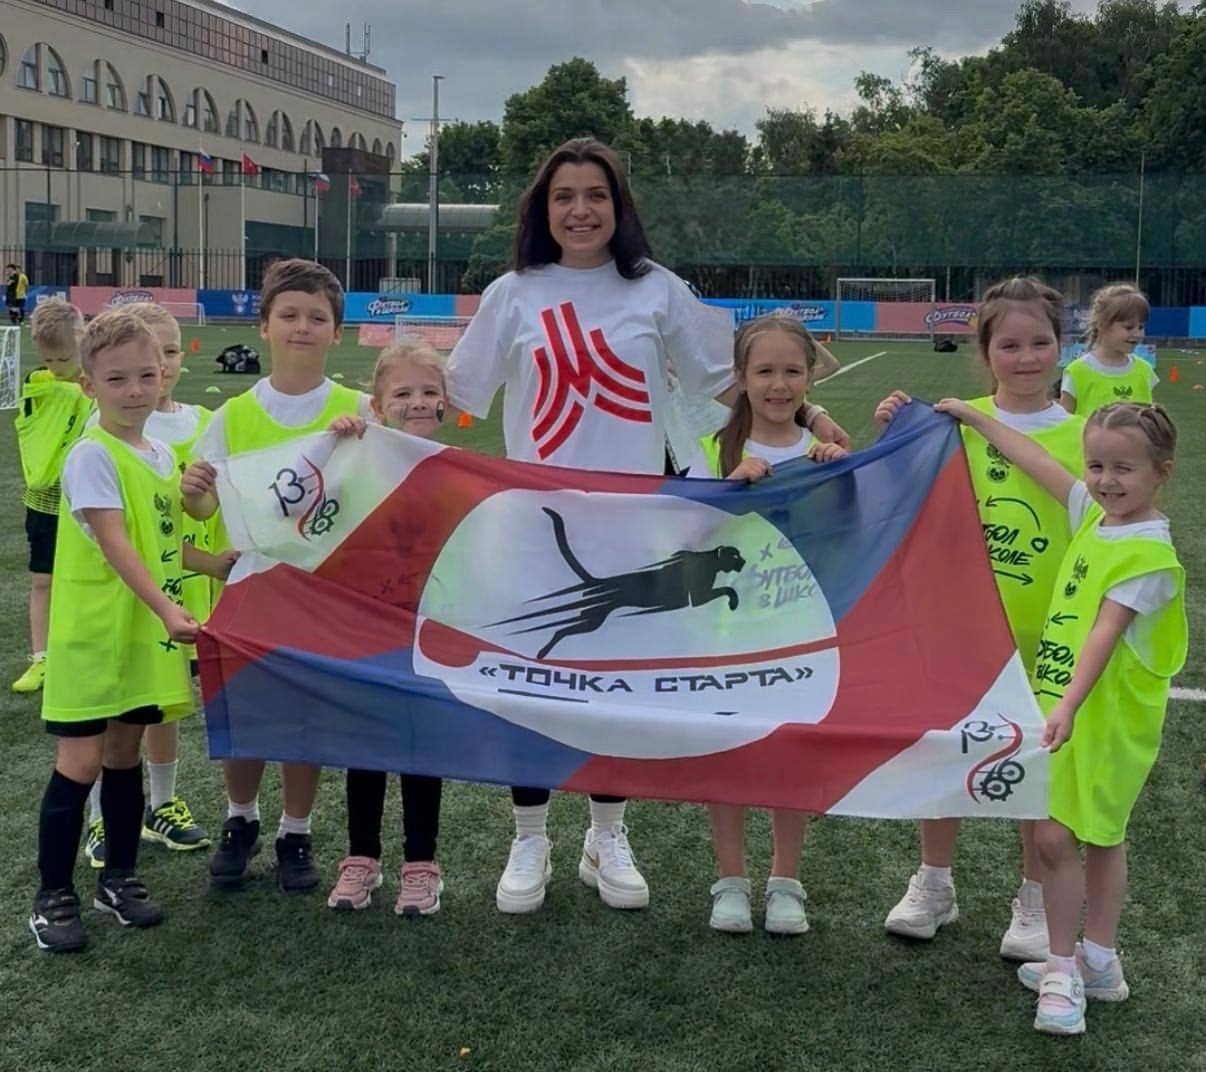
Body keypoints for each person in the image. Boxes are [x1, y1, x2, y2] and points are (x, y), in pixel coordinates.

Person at [446, 136, 848, 915]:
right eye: (564, 196)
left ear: (619, 206)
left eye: (596, 195)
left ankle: (607, 834)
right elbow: (455, 390)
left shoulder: (656, 290)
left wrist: (816, 417)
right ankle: (529, 837)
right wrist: (370, 417)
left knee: (614, 686)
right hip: (537, 524)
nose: (581, 210)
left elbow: (737, 382)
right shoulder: (512, 294)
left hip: (635, 528)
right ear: (542, 209)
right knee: (530, 678)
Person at [934, 398, 1185, 1037]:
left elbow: (1104, 632)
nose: (1105, 480)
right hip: (1067, 711)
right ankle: (1095, 962)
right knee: (1069, 836)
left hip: (1105, 721)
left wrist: (1067, 704)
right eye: (1096, 465)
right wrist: (974, 417)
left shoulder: (1149, 556)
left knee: (1077, 836)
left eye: (1123, 468)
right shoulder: (1095, 518)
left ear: (1161, 472)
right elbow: (1036, 460)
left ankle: (1065, 969)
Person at [875, 277, 1085, 961]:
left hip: (1051, 634)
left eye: (1040, 343)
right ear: (985, 351)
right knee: (950, 749)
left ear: (1061, 345)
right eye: (1009, 345)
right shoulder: (949, 425)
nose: (1026, 358)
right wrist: (893, 435)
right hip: (959, 626)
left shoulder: (1084, 435)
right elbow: (897, 502)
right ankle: (935, 883)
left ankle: (1033, 899)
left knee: (1039, 763)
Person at [29, 310, 232, 953]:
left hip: (142, 635)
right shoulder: (92, 454)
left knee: (123, 756)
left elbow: (160, 539)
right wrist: (171, 611)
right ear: (89, 385)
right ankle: (52, 896)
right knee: (81, 762)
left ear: (165, 374)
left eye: (147, 374)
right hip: (94, 635)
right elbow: (117, 545)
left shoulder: (160, 453)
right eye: (117, 379)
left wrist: (215, 562)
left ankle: (118, 878)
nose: (136, 389)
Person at [182, 258, 370, 894]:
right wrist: (194, 491)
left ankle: (296, 829)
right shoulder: (232, 416)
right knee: (245, 712)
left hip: (322, 595)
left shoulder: (357, 410)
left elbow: (388, 488)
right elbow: (202, 509)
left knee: (302, 717)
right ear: (263, 326)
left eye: (317, 317)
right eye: (288, 315)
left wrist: (368, 440)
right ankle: (241, 819)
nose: (302, 327)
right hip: (248, 592)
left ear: (336, 332)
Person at [683, 314, 846, 936]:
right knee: (728, 756)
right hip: (723, 634)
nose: (779, 385)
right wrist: (730, 487)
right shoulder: (711, 449)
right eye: (765, 371)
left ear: (809, 378)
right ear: (742, 377)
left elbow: (852, 536)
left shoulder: (826, 453)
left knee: (789, 757)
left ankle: (785, 881)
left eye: (792, 371)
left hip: (800, 633)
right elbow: (683, 537)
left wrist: (838, 473)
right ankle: (730, 880)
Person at [81, 302, 226, 865]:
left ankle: (162, 804)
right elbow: (120, 534)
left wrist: (207, 542)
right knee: (114, 712)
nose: (160, 367)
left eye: (168, 353)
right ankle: (101, 817)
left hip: (183, 592)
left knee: (167, 704)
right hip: (126, 596)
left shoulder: (200, 424)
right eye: (150, 355)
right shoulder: (107, 432)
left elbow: (201, 509)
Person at [323, 340, 449, 916]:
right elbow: (313, 502)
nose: (416, 402)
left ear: (445, 403)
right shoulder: (358, 458)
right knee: (365, 747)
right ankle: (361, 858)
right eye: (402, 393)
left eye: (428, 392)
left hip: (429, 634)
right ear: (376, 405)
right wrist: (336, 443)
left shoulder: (458, 470)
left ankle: (421, 866)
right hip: (364, 629)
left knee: (421, 749)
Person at [12, 298, 90, 694]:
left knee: (93, 577)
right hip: (45, 500)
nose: (56, 368)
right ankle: (42, 658)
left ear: (83, 339)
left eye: (63, 359)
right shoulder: (38, 382)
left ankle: (87, 650)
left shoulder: (102, 378)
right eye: (48, 360)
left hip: (90, 499)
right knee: (43, 578)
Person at [1060, 283, 1157, 416]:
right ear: (1102, 325)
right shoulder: (1077, 372)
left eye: (1140, 327)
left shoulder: (1145, 370)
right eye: (1129, 327)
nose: (1137, 334)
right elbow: (1064, 421)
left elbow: (1149, 419)